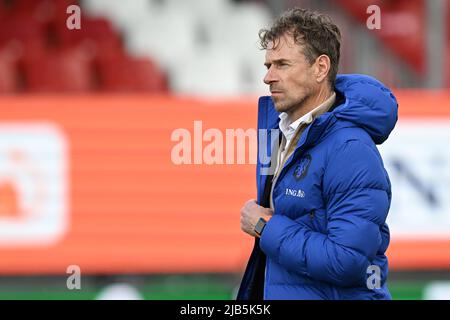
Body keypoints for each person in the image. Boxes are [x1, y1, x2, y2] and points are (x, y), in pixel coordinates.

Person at [237, 8, 398, 300]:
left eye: (282, 65)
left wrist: (264, 226)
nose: (268, 77)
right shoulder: (281, 132)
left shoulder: (351, 149)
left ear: (320, 68)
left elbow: (346, 261)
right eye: (268, 65)